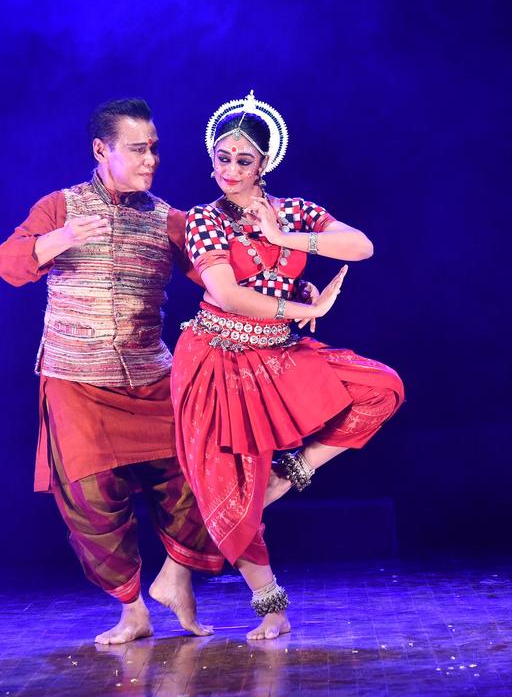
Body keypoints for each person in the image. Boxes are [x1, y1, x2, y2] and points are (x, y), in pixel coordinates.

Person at [172, 91, 405, 640]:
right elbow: (227, 296)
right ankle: (270, 606)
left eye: (243, 159)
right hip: (218, 358)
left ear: (265, 164)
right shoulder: (205, 221)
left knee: (381, 388)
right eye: (222, 157)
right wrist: (308, 308)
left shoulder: (295, 211)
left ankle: (292, 472)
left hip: (277, 354)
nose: (229, 169)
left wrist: (284, 238)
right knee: (232, 485)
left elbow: (362, 246)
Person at [0, 98, 223, 645]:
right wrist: (63, 238)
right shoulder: (59, 206)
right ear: (102, 150)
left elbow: (221, 279)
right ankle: (131, 610)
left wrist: (286, 296)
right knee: (92, 502)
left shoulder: (170, 219)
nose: (151, 160)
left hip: (152, 376)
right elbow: (9, 263)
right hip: (76, 378)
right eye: (138, 149)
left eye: (155, 148)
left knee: (195, 481)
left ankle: (179, 582)